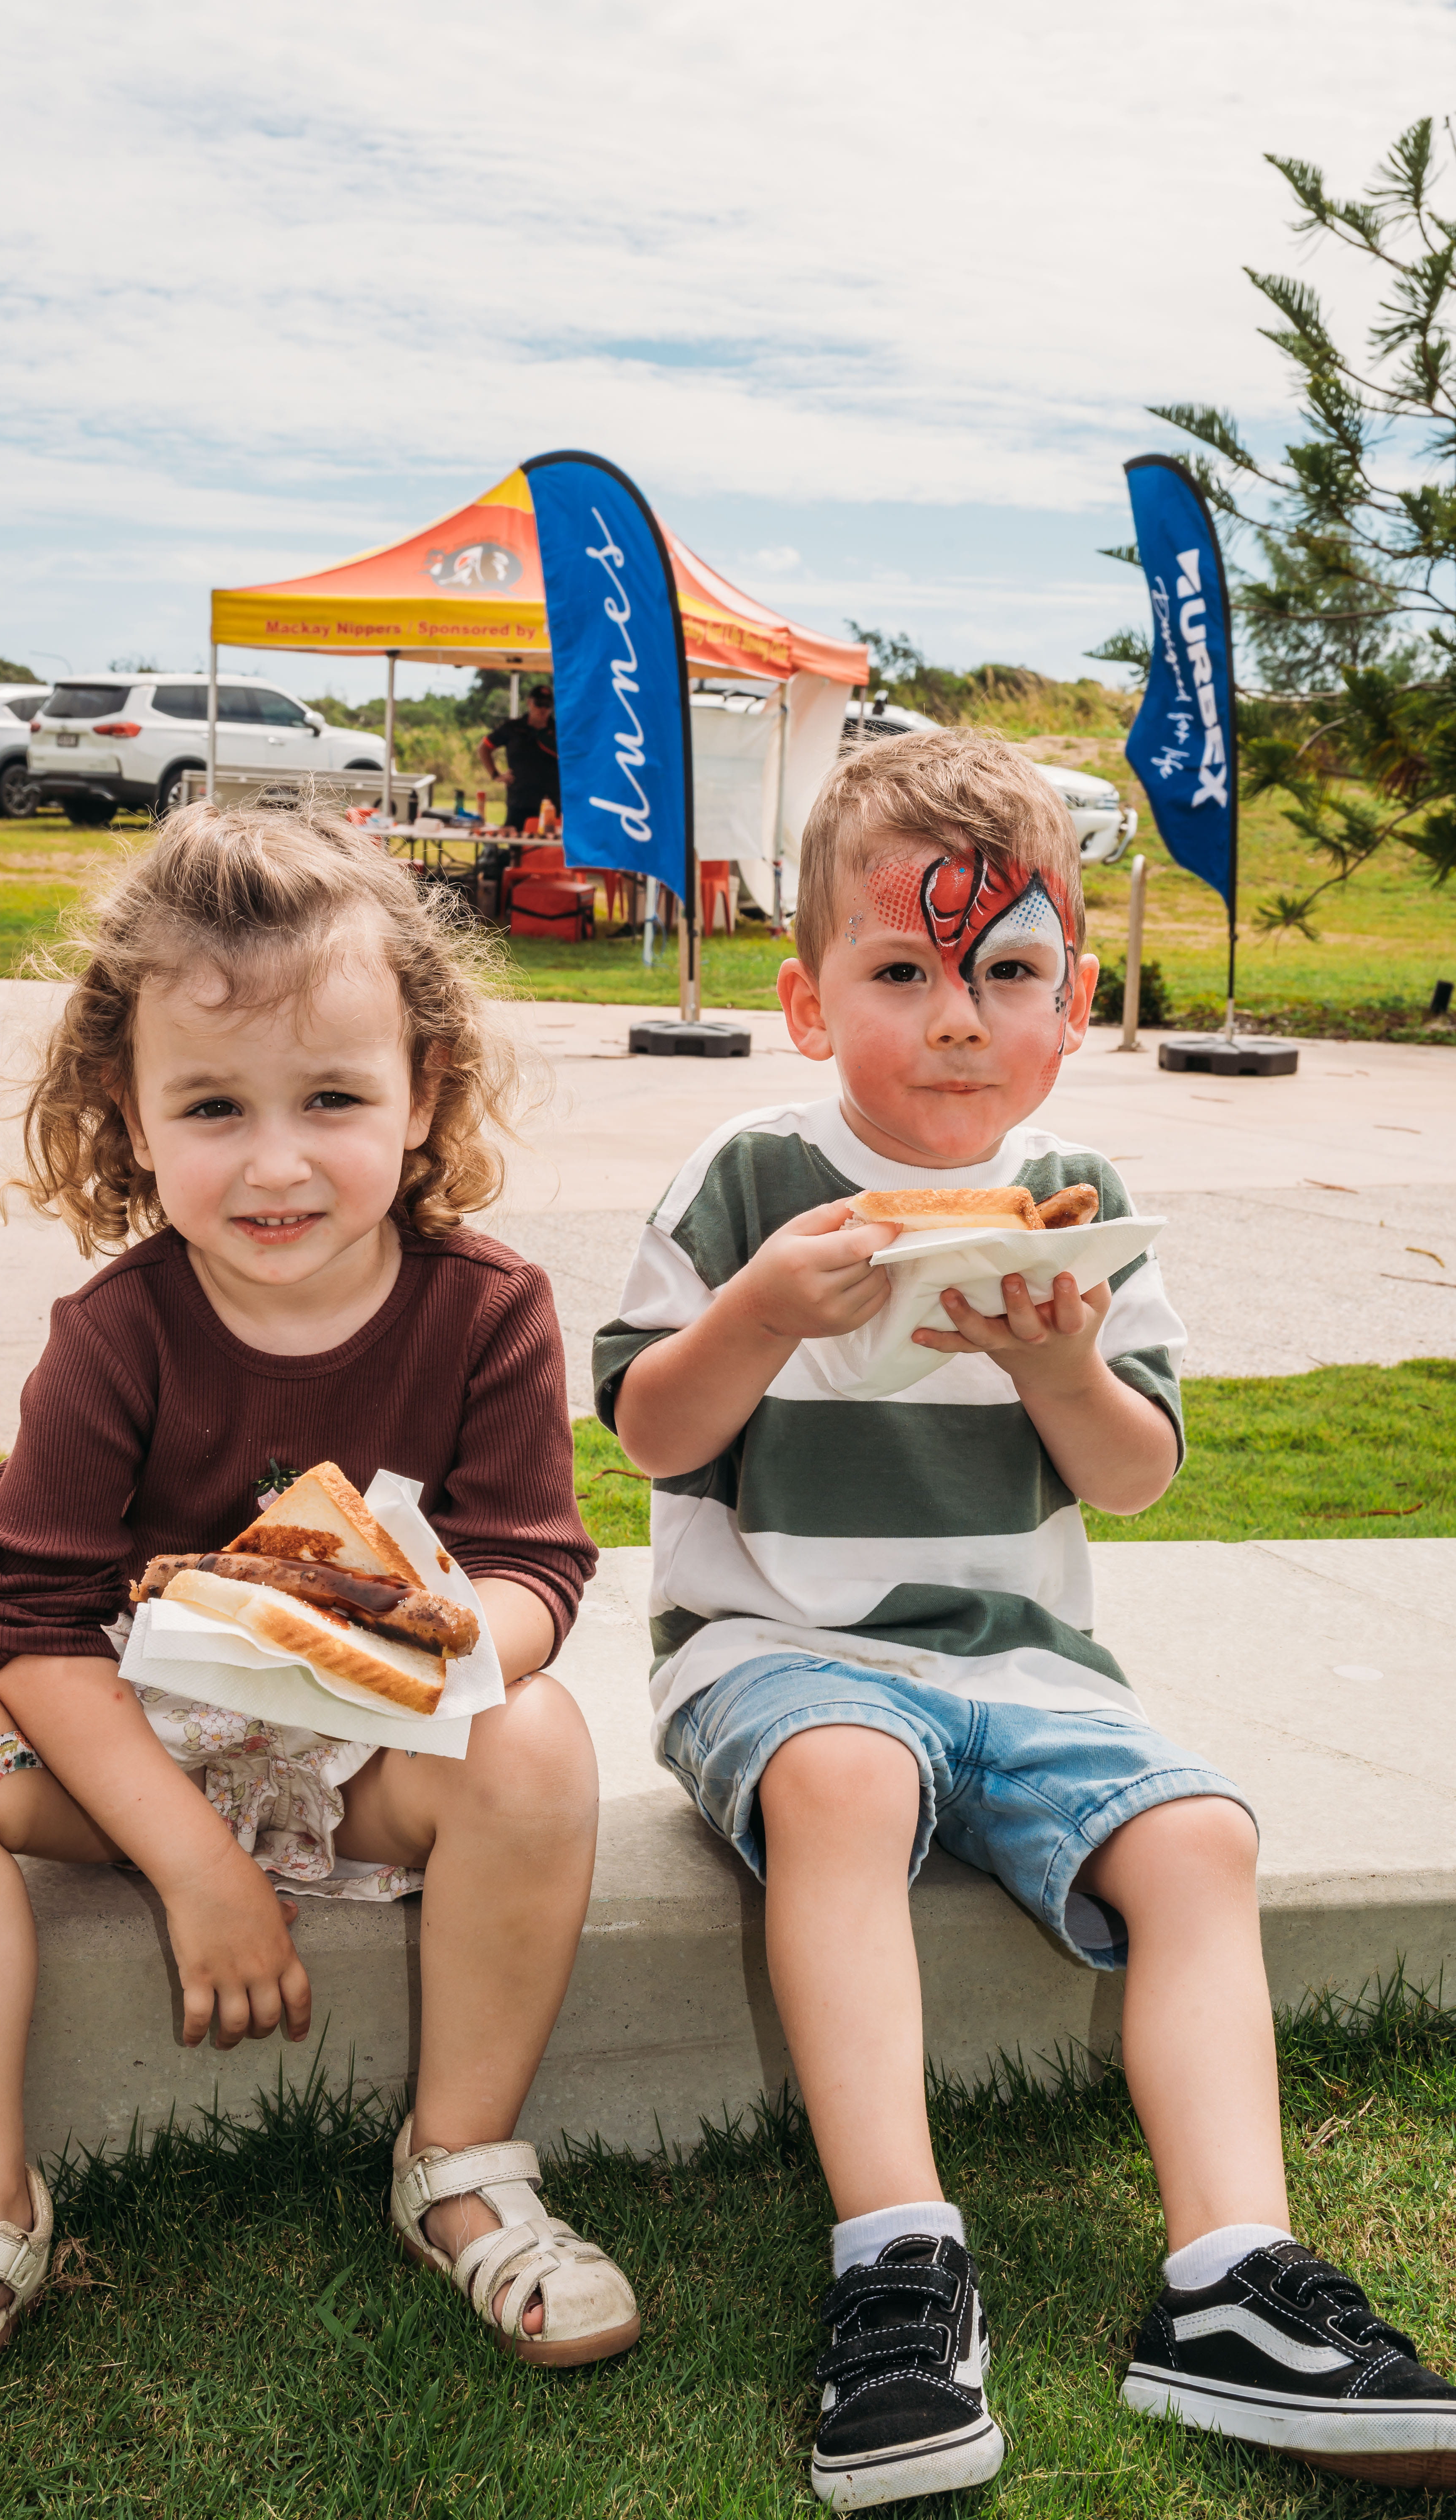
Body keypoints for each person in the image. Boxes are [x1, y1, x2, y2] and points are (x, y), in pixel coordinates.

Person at [594, 730, 1456, 2507]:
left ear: (1070, 1008)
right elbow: (651, 1433)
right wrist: (758, 1312)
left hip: (1020, 1655)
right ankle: (897, 2259)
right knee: (843, 1779)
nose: (957, 1019)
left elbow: (1131, 1477)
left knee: (1199, 1836)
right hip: (775, 1647)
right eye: (901, 972)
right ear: (808, 1002)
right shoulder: (745, 1181)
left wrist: (1063, 1364)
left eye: (1004, 972)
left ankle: (1231, 2275)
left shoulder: (1081, 1203)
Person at [0, 805, 639, 2461]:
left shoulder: (488, 1312)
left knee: (537, 1738)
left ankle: (461, 2166)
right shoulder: (114, 1337)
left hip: (369, 1759)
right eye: (211, 1107)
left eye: (331, 1099)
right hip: (129, 1763)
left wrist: (447, 1641)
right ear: (130, 1113)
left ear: (423, 1095)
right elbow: (27, 1624)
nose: (274, 1162)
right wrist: (193, 1868)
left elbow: (535, 1564)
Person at [479, 684, 559, 832]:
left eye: (548, 705)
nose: (543, 709)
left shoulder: (560, 730)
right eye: (539, 704)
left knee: (551, 845)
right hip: (520, 802)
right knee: (516, 844)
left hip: (552, 804)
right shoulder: (513, 728)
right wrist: (496, 775)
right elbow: (484, 748)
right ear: (529, 702)